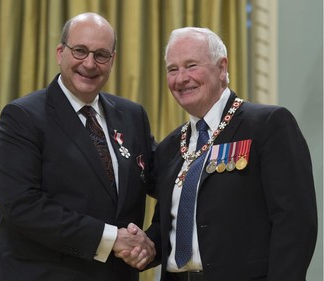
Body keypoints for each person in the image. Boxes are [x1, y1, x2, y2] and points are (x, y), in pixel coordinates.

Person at [127, 27, 317, 281]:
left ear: (222, 67)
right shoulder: (169, 147)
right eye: (173, 69)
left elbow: (295, 223)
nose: (181, 78)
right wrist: (146, 245)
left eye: (191, 65)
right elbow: (171, 226)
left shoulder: (267, 125)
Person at [0, 12, 156, 281]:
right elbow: (23, 206)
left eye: (101, 54)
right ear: (60, 52)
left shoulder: (132, 116)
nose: (89, 64)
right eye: (80, 51)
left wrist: (149, 241)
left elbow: (163, 179)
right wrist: (111, 239)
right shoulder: (23, 116)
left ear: (112, 60)